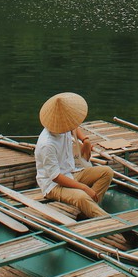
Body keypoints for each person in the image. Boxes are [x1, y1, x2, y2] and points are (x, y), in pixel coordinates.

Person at [35, 92, 114, 220]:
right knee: (81, 196)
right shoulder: (47, 144)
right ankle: (115, 225)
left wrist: (85, 140)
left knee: (107, 172)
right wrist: (83, 188)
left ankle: (86, 213)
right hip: (53, 185)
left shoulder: (65, 125)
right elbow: (55, 177)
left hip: (72, 172)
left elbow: (74, 127)